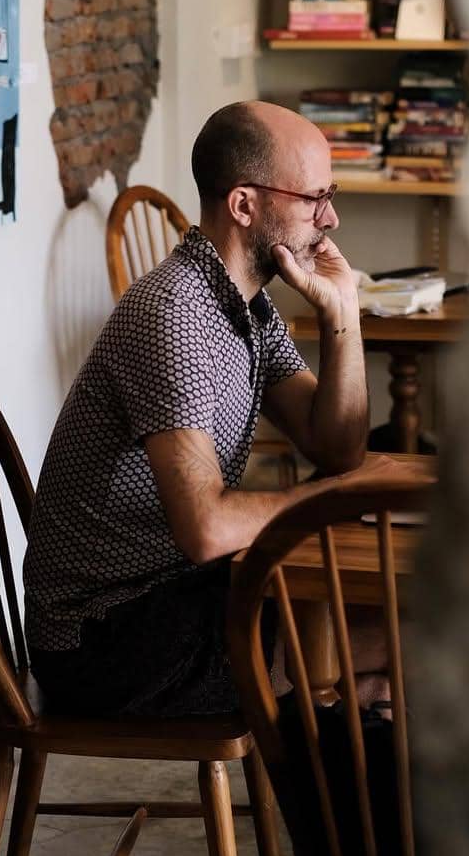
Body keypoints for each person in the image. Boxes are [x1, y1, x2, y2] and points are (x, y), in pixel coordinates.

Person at [24, 100, 403, 717]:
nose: (330, 218)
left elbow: (337, 448)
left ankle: (343, 779)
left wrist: (343, 316)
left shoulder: (245, 306)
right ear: (244, 205)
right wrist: (337, 498)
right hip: (106, 640)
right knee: (416, 636)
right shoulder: (174, 315)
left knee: (389, 632)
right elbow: (207, 530)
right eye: (313, 199)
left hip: (176, 597)